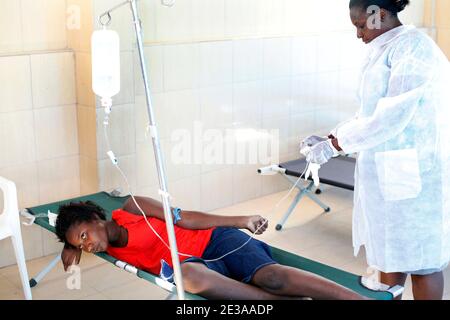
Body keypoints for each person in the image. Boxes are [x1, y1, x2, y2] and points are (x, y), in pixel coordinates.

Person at [301, 0, 450, 300]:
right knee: (391, 249)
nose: (358, 34)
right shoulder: (384, 48)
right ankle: (387, 291)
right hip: (388, 168)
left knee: (422, 261)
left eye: (359, 25)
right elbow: (369, 112)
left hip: (414, 170)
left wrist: (335, 146)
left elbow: (392, 116)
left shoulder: (414, 49)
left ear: (378, 14)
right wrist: (334, 135)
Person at [55, 196, 365, 300]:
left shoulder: (132, 207)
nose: (89, 246)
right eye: (81, 245)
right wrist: (70, 249)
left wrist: (240, 220)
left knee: (272, 277)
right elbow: (77, 246)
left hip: (217, 241)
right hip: (198, 267)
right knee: (187, 277)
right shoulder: (105, 247)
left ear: (95, 217)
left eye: (85, 235)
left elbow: (186, 218)